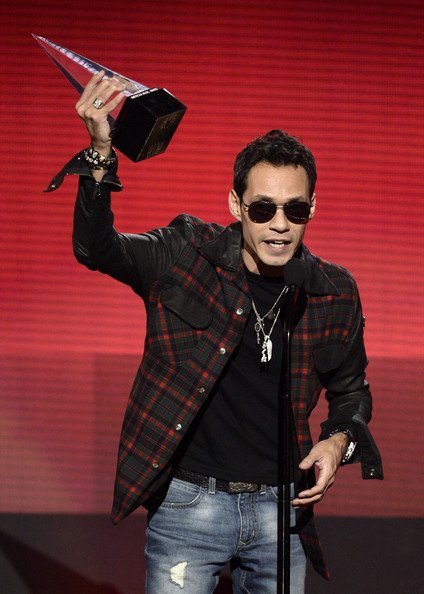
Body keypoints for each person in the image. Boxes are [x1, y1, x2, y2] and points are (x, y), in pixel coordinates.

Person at [48, 72, 383, 593]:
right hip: (189, 505)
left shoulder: (332, 291)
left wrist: (338, 442)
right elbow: (96, 248)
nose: (279, 224)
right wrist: (100, 154)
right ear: (236, 205)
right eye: (262, 208)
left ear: (312, 209)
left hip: (282, 510)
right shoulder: (186, 253)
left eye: (294, 209)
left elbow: (352, 391)